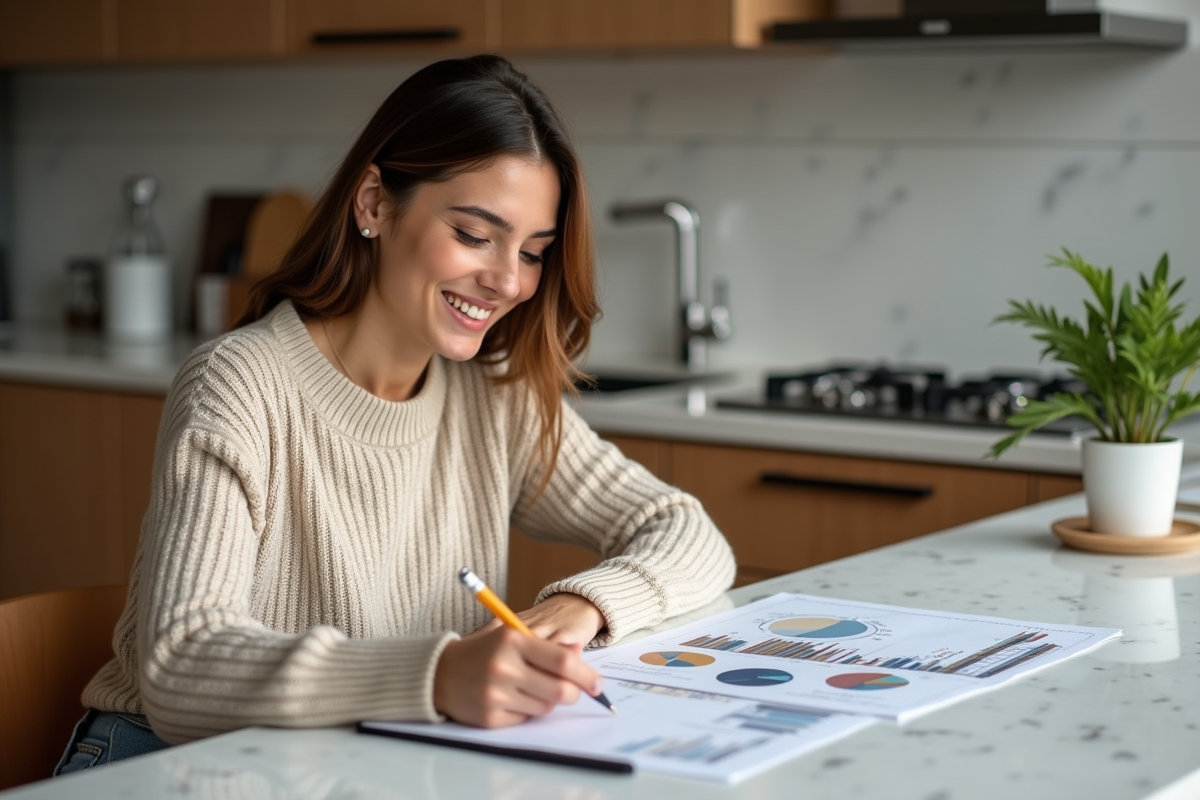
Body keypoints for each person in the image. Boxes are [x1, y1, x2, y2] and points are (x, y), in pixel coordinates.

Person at [55, 54, 735, 775]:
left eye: (533, 252)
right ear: (375, 203)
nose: (508, 280)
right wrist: (438, 676)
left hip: (359, 765)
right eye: (475, 235)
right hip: (169, 764)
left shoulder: (490, 396)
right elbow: (181, 668)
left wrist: (585, 605)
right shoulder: (240, 382)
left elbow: (687, 533)